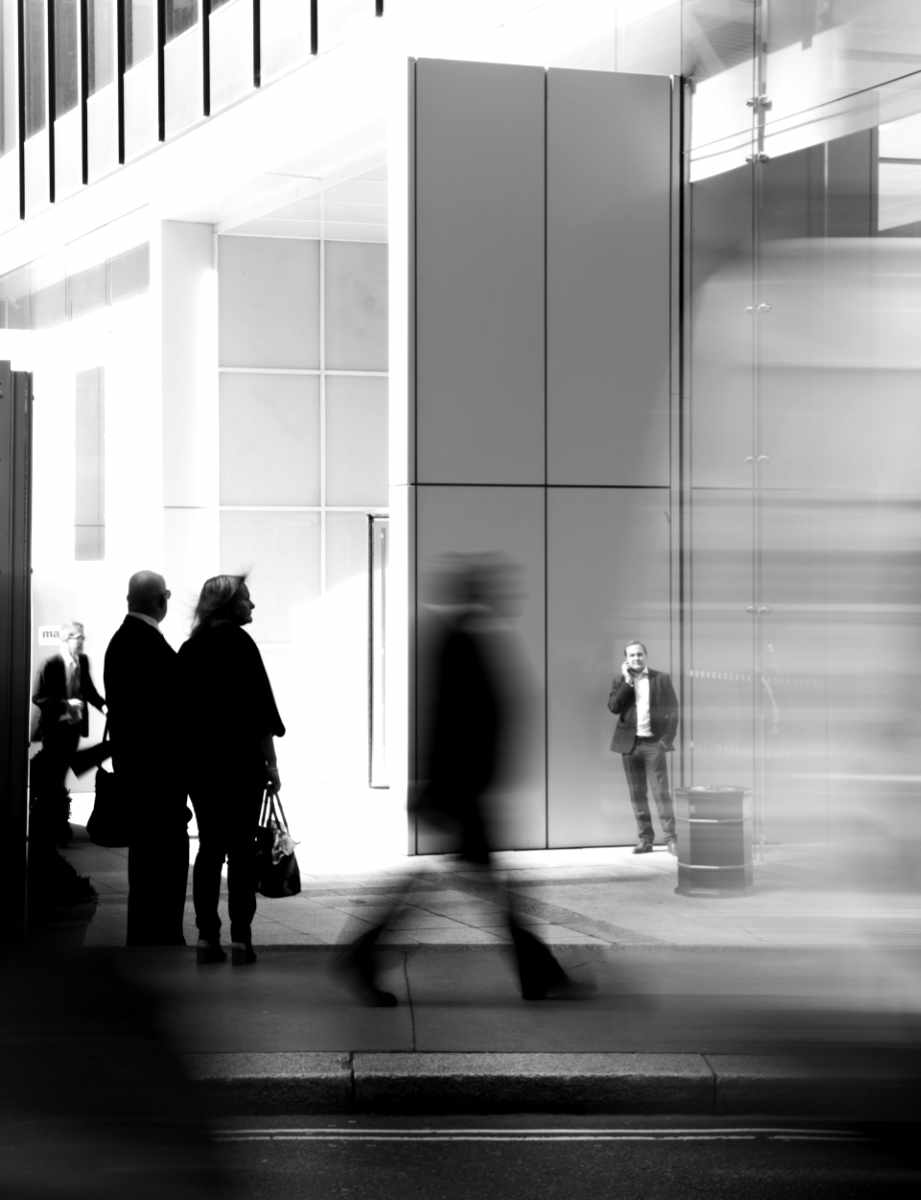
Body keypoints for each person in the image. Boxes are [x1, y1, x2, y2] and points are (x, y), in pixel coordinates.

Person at [338, 553, 589, 1005]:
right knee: (490, 886)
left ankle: (536, 974)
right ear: (475, 592)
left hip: (461, 789)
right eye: (495, 590)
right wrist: (439, 785)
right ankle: (363, 953)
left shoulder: (462, 637)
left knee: (484, 885)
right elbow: (451, 720)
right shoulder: (458, 640)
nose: (506, 598)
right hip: (460, 790)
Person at [177, 575, 285, 967]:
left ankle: (207, 937)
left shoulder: (191, 649)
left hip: (202, 767)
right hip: (242, 765)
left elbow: (180, 714)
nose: (252, 606)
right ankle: (242, 939)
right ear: (229, 604)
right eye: (246, 600)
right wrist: (271, 763)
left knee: (209, 849)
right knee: (242, 851)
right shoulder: (242, 645)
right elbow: (261, 712)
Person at [104, 571, 190, 946]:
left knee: (146, 866)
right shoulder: (146, 644)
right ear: (161, 600)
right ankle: (161, 937)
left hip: (136, 771)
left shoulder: (121, 641)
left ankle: (147, 935)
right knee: (163, 863)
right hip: (158, 777)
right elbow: (168, 709)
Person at [31, 621, 107, 845]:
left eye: (83, 637)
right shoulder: (50, 663)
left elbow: (89, 691)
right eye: (78, 637)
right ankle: (57, 828)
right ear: (66, 640)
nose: (82, 641)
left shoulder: (82, 661)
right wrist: (65, 704)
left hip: (73, 728)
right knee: (55, 776)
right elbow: (38, 697)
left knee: (59, 774)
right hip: (53, 728)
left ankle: (56, 826)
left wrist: (104, 707)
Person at [608, 640, 679, 855]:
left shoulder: (661, 679)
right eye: (631, 656)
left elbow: (674, 711)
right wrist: (628, 682)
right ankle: (645, 839)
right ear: (626, 659)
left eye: (639, 655)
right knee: (637, 794)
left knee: (661, 793)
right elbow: (614, 707)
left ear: (645, 656)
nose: (636, 659)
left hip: (653, 745)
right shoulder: (621, 680)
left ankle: (671, 839)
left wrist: (666, 741)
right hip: (630, 746)